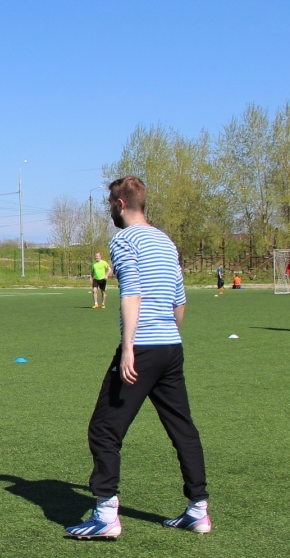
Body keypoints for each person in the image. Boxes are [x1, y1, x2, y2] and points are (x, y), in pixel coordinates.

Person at [66, 176, 210, 540]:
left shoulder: (124, 239)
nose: (109, 211)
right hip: (170, 347)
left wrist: (129, 347)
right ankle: (198, 511)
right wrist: (167, 339)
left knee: (104, 429)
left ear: (120, 204)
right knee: (183, 428)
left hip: (142, 347)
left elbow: (131, 291)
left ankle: (105, 516)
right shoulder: (165, 241)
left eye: (109, 205)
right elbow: (179, 300)